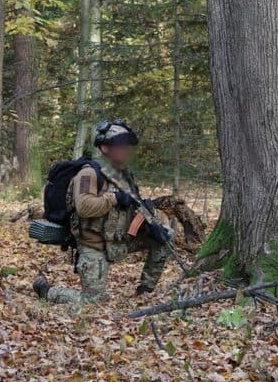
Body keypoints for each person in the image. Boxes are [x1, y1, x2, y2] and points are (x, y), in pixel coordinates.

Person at [33, 120, 173, 304]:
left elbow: (134, 205)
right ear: (105, 148)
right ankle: (48, 291)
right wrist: (114, 198)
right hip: (94, 246)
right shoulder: (88, 174)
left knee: (165, 237)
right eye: (121, 146)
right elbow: (84, 206)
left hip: (120, 239)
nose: (126, 150)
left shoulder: (125, 175)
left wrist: (151, 224)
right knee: (93, 301)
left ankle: (145, 291)